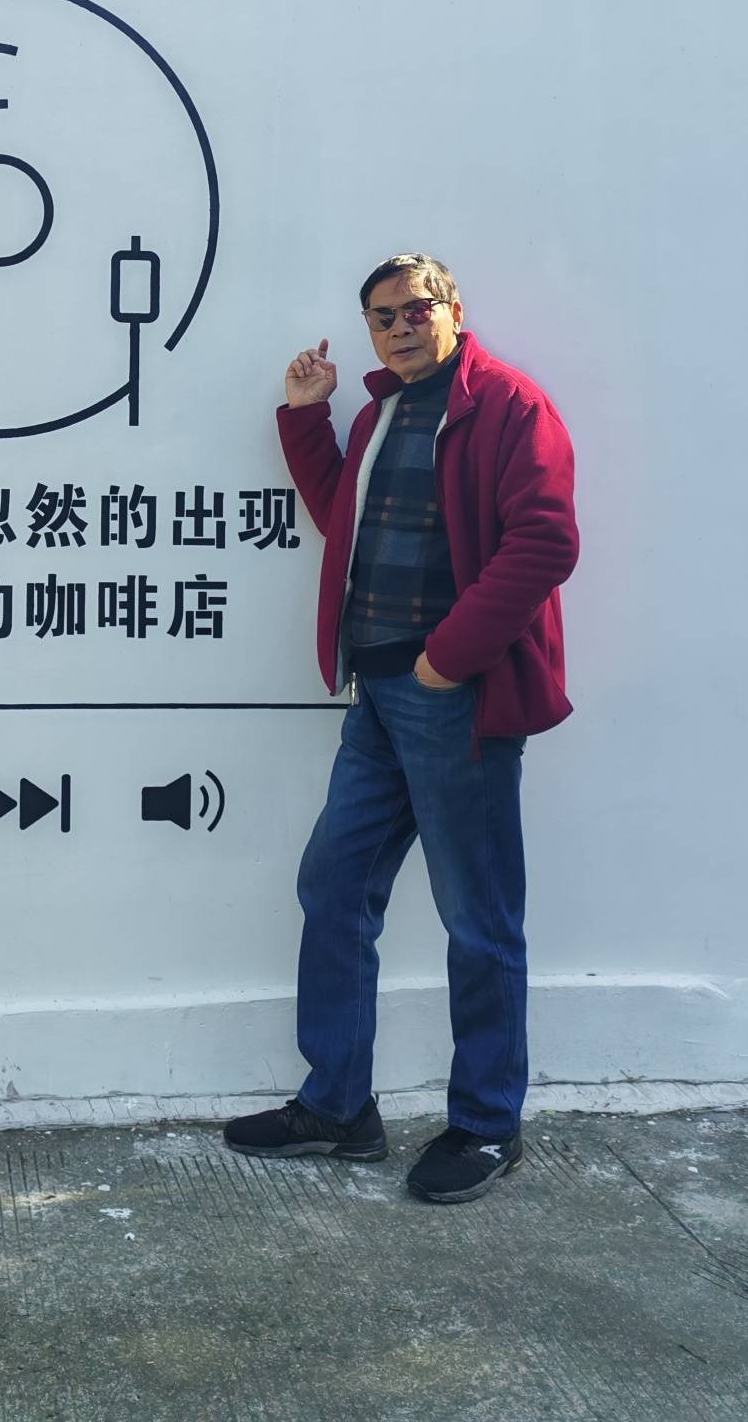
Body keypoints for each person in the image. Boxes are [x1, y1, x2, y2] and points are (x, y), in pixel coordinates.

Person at [224, 254, 578, 1203]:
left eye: (414, 310)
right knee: (334, 886)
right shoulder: (379, 415)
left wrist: (448, 657)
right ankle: (339, 1107)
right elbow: (343, 522)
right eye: (381, 319)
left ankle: (488, 1126)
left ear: (452, 308)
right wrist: (306, 418)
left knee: (478, 916)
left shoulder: (509, 406)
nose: (399, 329)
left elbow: (546, 541)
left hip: (455, 695)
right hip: (377, 695)